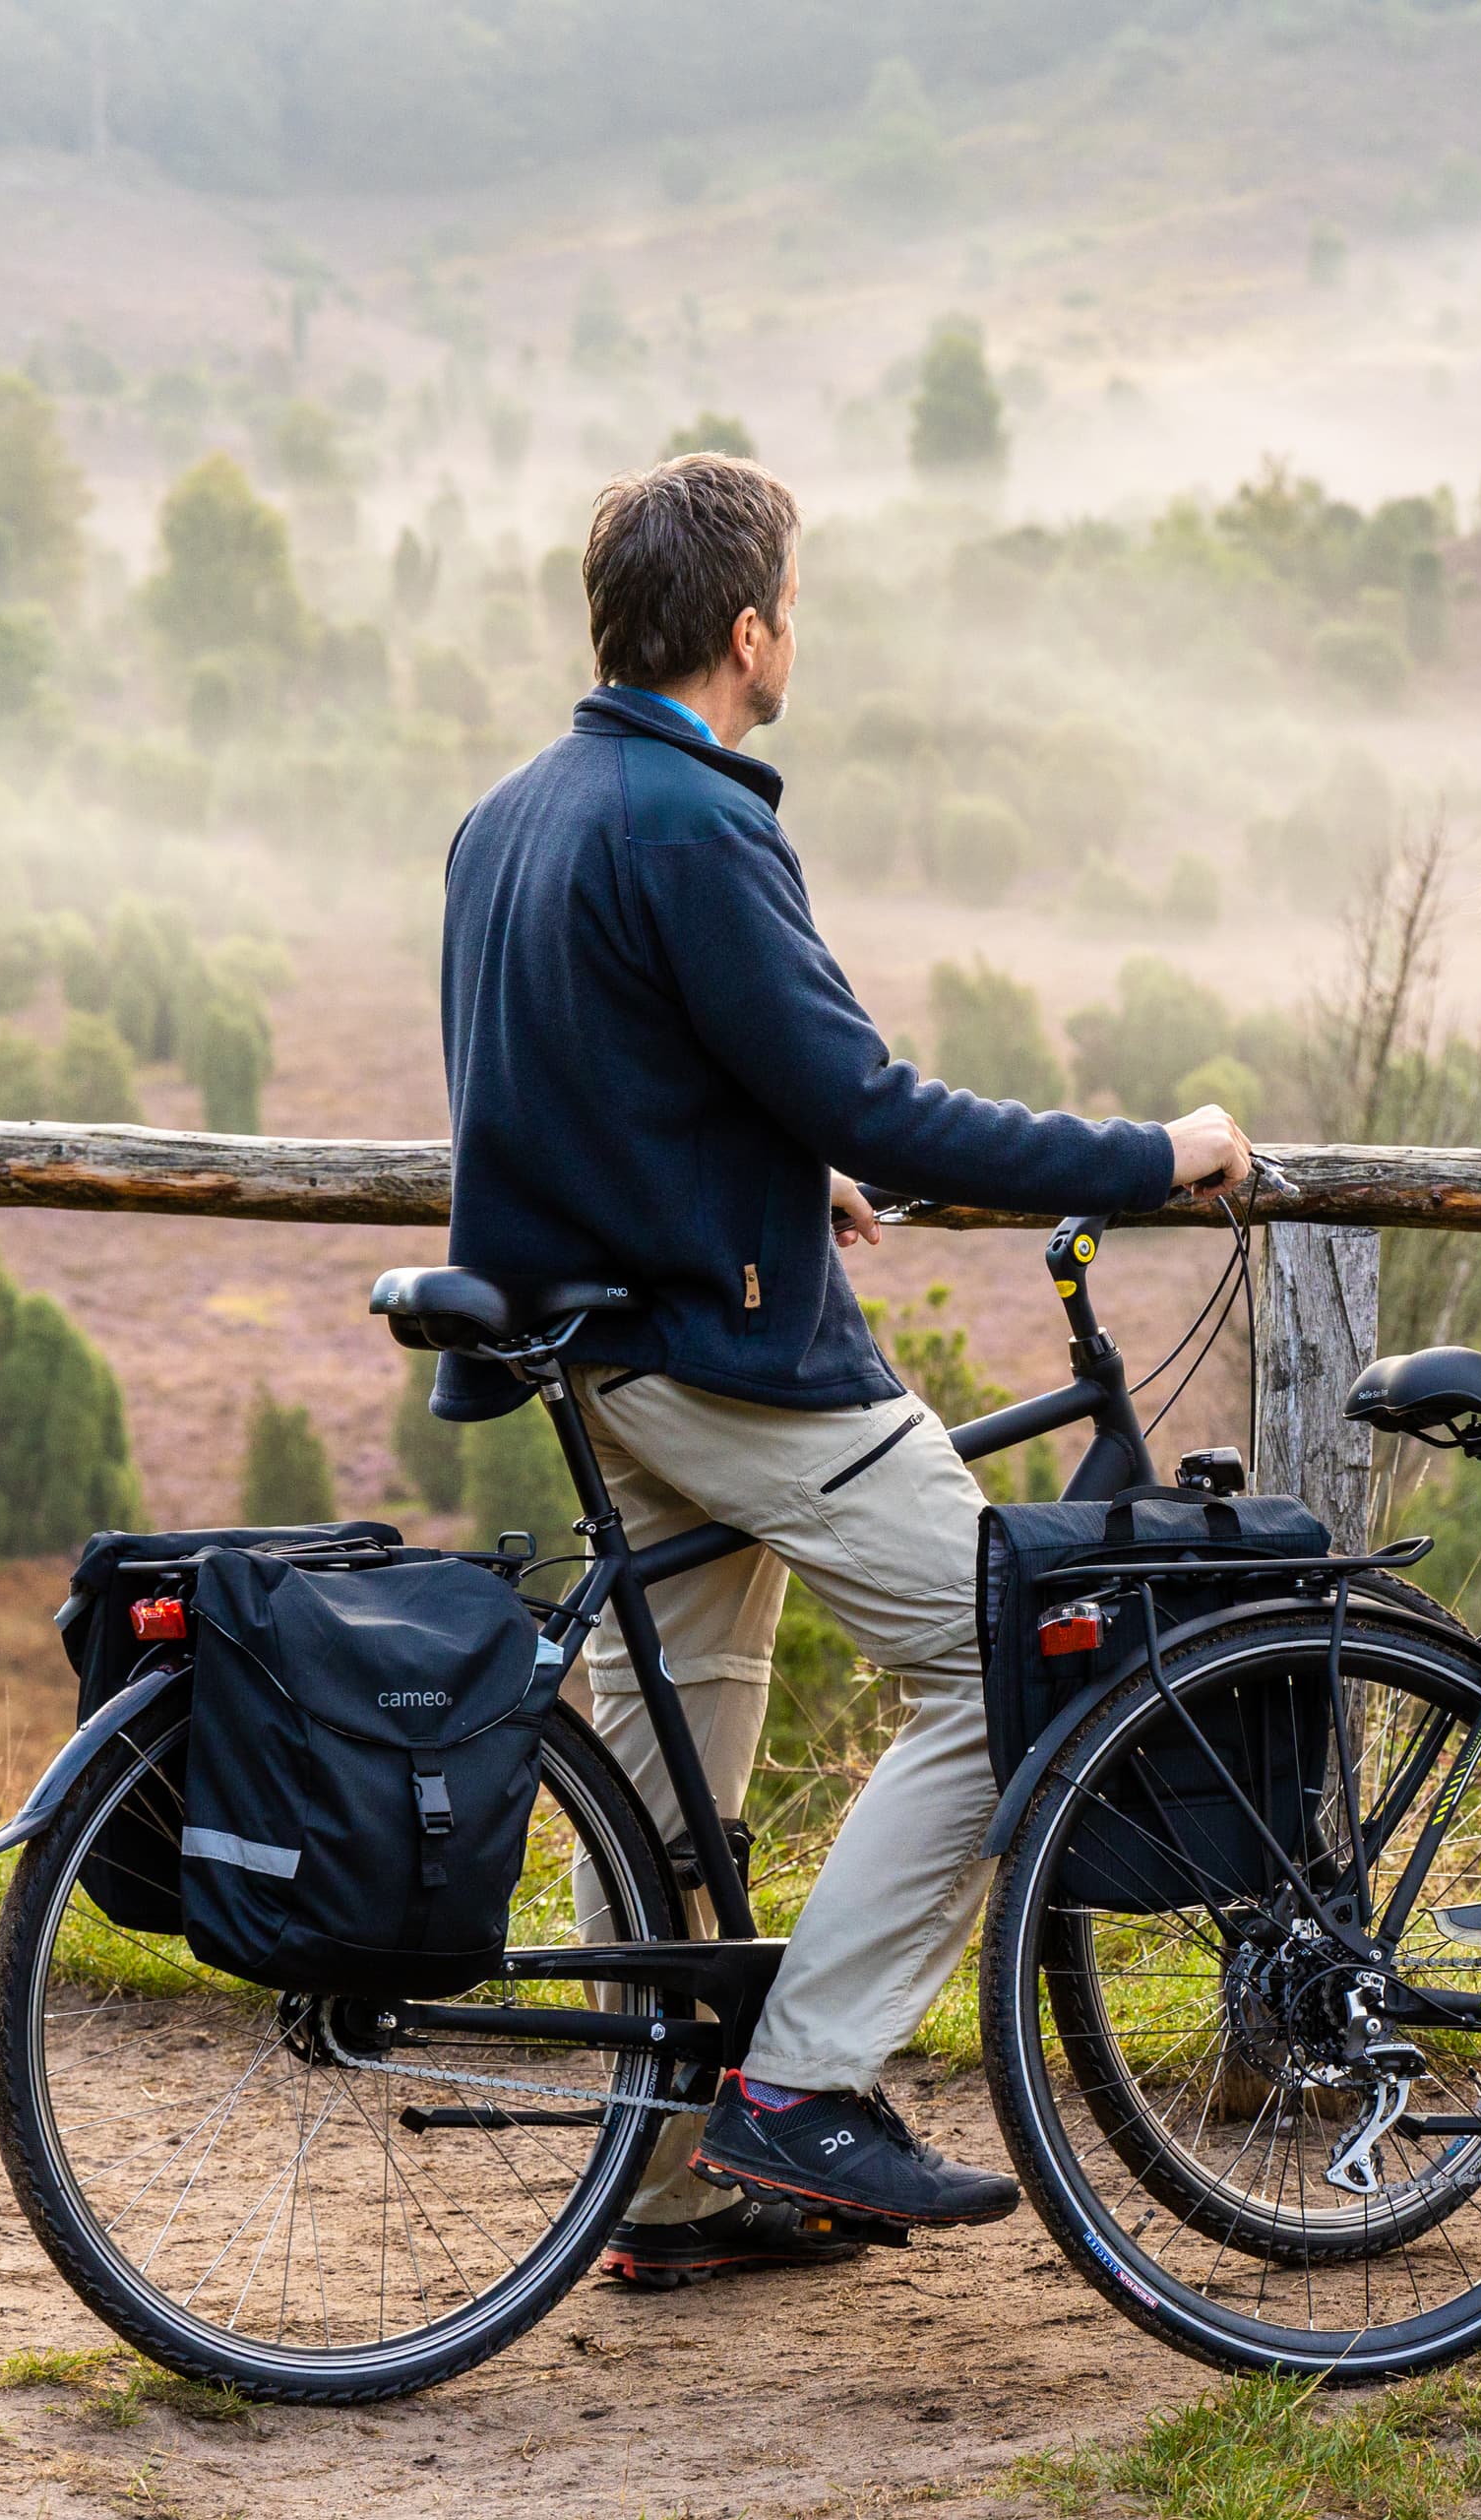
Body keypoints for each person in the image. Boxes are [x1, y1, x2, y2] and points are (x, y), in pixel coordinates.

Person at [434, 452, 1252, 2289]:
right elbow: (871, 1095)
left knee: (666, 1762)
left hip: (603, 1347)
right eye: (791, 611)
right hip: (732, 1355)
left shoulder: (512, 814)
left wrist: (771, 1164)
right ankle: (801, 2092)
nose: (796, 637)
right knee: (1006, 1672)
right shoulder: (698, 822)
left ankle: (658, 2190)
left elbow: (585, 1076)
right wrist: (1154, 1155)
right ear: (746, 631)